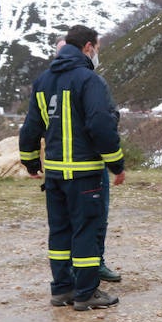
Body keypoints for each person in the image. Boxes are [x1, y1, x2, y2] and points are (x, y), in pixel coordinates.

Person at [19, 26, 125, 311]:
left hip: (54, 176)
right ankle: (87, 293)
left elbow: (31, 126)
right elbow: (101, 126)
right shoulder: (89, 81)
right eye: (97, 48)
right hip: (85, 174)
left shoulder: (43, 81)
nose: (97, 53)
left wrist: (30, 161)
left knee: (60, 233)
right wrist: (117, 164)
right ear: (88, 46)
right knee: (86, 232)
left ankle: (62, 290)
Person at [52, 36, 123, 285]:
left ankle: (93, 266)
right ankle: (80, 281)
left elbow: (108, 115)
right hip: (70, 168)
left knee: (96, 219)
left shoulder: (93, 81)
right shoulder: (51, 82)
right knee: (74, 224)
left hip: (89, 164)